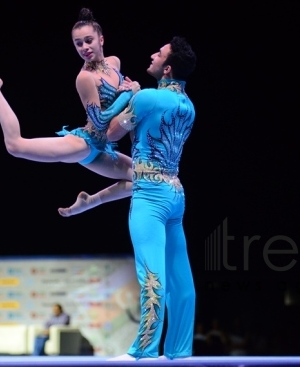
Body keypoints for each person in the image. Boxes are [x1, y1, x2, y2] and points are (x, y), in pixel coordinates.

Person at [0, 8, 139, 215]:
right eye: (78, 43)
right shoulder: (84, 78)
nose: (84, 47)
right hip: (84, 144)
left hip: (102, 148)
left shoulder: (114, 62)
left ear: (101, 39)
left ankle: (89, 202)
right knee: (14, 145)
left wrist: (126, 90)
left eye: (89, 40)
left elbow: (114, 100)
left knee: (143, 181)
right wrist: (129, 95)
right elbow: (100, 121)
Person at [105, 37, 197, 361]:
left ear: (167, 68)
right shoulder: (188, 106)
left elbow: (113, 133)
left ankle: (143, 351)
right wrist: (138, 96)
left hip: (151, 195)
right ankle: (179, 351)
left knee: (152, 276)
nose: (152, 55)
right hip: (176, 193)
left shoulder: (147, 98)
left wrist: (128, 97)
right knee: (180, 280)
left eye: (158, 54)